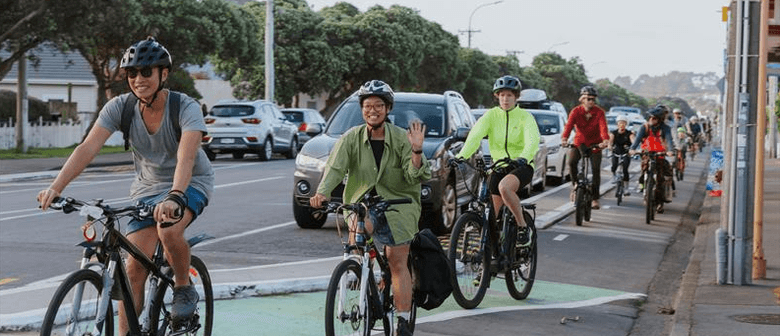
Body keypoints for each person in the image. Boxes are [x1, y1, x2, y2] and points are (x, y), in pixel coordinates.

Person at [36, 37, 214, 334]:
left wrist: (175, 196)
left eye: (146, 72)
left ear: (163, 74)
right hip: (146, 189)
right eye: (132, 74)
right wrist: (56, 187)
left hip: (189, 182)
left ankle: (183, 286)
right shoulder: (120, 107)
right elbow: (87, 148)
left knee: (168, 229)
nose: (139, 79)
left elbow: (186, 157)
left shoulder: (185, 107)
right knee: (132, 269)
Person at [309, 80, 430, 336]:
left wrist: (417, 151)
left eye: (378, 105)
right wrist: (322, 192)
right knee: (358, 230)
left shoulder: (400, 138)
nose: (372, 110)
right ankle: (359, 270)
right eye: (367, 106)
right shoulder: (351, 138)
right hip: (363, 203)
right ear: (361, 109)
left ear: (387, 109)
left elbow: (414, 176)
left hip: (399, 204)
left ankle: (404, 320)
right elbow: (335, 169)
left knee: (397, 262)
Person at [454, 75, 540, 248]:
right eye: (501, 95)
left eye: (509, 95)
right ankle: (492, 256)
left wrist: (523, 157)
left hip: (521, 166)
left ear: (516, 97)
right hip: (499, 166)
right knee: (491, 215)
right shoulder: (491, 116)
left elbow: (532, 140)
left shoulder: (525, 117)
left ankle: (523, 227)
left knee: (504, 187)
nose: (505, 99)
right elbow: (475, 136)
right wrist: (460, 157)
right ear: (497, 96)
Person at [561, 85, 610, 209]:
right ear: (582, 99)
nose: (591, 102)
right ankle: (576, 185)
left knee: (595, 170)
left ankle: (595, 198)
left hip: (595, 144)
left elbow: (603, 127)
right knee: (571, 162)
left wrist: (605, 140)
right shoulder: (576, 111)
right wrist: (564, 139)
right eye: (588, 99)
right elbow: (568, 126)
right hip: (579, 143)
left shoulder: (599, 112)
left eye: (593, 99)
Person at [629, 107, 675, 213]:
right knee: (644, 170)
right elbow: (636, 141)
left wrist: (670, 151)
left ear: (659, 119)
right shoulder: (644, 127)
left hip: (660, 154)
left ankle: (660, 202)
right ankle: (644, 186)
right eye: (650, 117)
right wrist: (632, 149)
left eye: (654, 118)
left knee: (661, 178)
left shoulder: (665, 128)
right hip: (646, 154)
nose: (651, 120)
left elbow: (669, 140)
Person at [608, 115, 635, 196]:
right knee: (614, 166)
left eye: (623, 123)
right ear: (617, 124)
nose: (621, 124)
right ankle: (613, 176)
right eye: (620, 123)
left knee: (625, 170)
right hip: (616, 152)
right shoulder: (614, 133)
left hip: (626, 153)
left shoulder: (629, 133)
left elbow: (633, 141)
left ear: (626, 124)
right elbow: (610, 141)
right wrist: (609, 146)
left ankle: (626, 188)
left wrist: (633, 149)